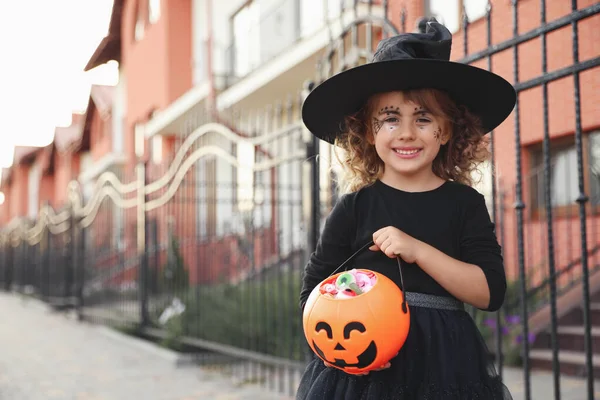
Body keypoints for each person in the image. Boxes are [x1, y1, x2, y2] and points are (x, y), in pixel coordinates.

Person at [296, 19, 516, 400]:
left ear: (446, 131)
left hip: (444, 368)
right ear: (368, 132)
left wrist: (417, 250)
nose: (407, 133)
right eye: (390, 119)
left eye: (424, 118)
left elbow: (489, 292)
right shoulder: (354, 208)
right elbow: (311, 297)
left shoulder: (465, 204)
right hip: (363, 374)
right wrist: (344, 349)